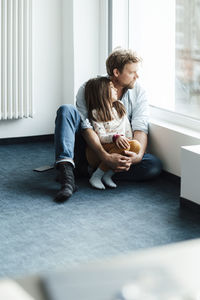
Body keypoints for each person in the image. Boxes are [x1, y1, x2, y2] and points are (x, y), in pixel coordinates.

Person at [54, 48, 162, 203]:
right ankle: (68, 177)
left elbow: (140, 127)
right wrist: (104, 156)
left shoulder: (139, 92)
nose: (137, 76)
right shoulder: (89, 88)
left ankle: (94, 170)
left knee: (153, 166)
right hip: (92, 144)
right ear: (116, 72)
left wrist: (135, 158)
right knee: (66, 110)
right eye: (132, 72)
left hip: (118, 147)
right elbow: (86, 127)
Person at [84, 77, 141, 189]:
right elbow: (100, 137)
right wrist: (115, 137)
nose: (115, 88)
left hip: (118, 147)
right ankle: (97, 175)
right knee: (122, 145)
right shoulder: (96, 113)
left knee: (136, 145)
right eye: (111, 87)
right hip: (99, 152)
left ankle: (108, 175)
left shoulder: (120, 108)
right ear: (102, 93)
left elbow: (127, 129)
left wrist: (129, 143)